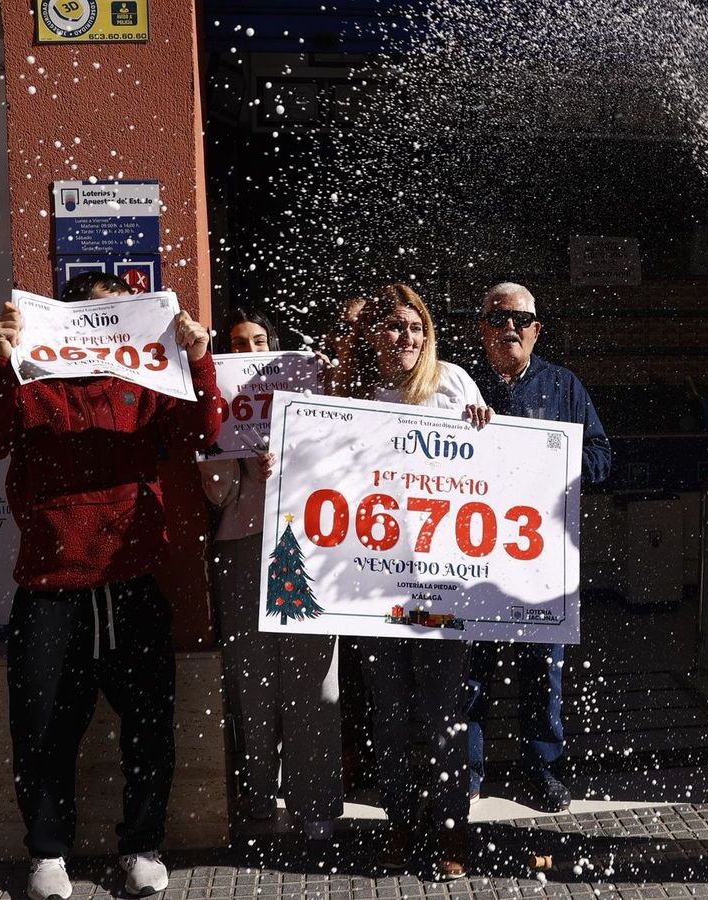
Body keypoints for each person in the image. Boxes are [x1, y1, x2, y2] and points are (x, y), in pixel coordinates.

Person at [0, 271, 221, 900]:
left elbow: (199, 432)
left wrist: (200, 361)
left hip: (132, 584)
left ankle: (141, 846)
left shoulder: (143, 383)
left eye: (120, 315)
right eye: (96, 316)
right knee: (43, 726)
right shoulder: (28, 380)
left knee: (150, 723)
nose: (108, 327)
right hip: (50, 588)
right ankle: (48, 854)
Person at [334, 282, 492, 880]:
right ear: (373, 333)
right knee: (391, 715)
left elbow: (488, 465)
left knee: (444, 714)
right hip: (374, 587)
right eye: (395, 326)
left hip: (444, 586)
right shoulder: (351, 391)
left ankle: (451, 831)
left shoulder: (451, 382)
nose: (407, 338)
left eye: (417, 327)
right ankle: (400, 824)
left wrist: (484, 425)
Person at [198, 307, 344, 848]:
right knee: (251, 677)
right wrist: (239, 467)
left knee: (312, 678)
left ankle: (317, 802)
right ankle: (259, 793)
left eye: (261, 341)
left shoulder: (311, 390)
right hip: (240, 545)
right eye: (240, 343)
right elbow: (214, 493)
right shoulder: (212, 401)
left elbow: (345, 463)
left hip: (306, 545)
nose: (252, 351)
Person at [465, 282, 611, 813]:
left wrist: (551, 460)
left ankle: (544, 772)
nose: (510, 328)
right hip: (471, 560)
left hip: (540, 563)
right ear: (480, 330)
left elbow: (601, 458)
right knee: (470, 673)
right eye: (497, 319)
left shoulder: (564, 386)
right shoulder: (459, 385)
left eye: (520, 320)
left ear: (536, 330)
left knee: (541, 671)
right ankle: (467, 773)